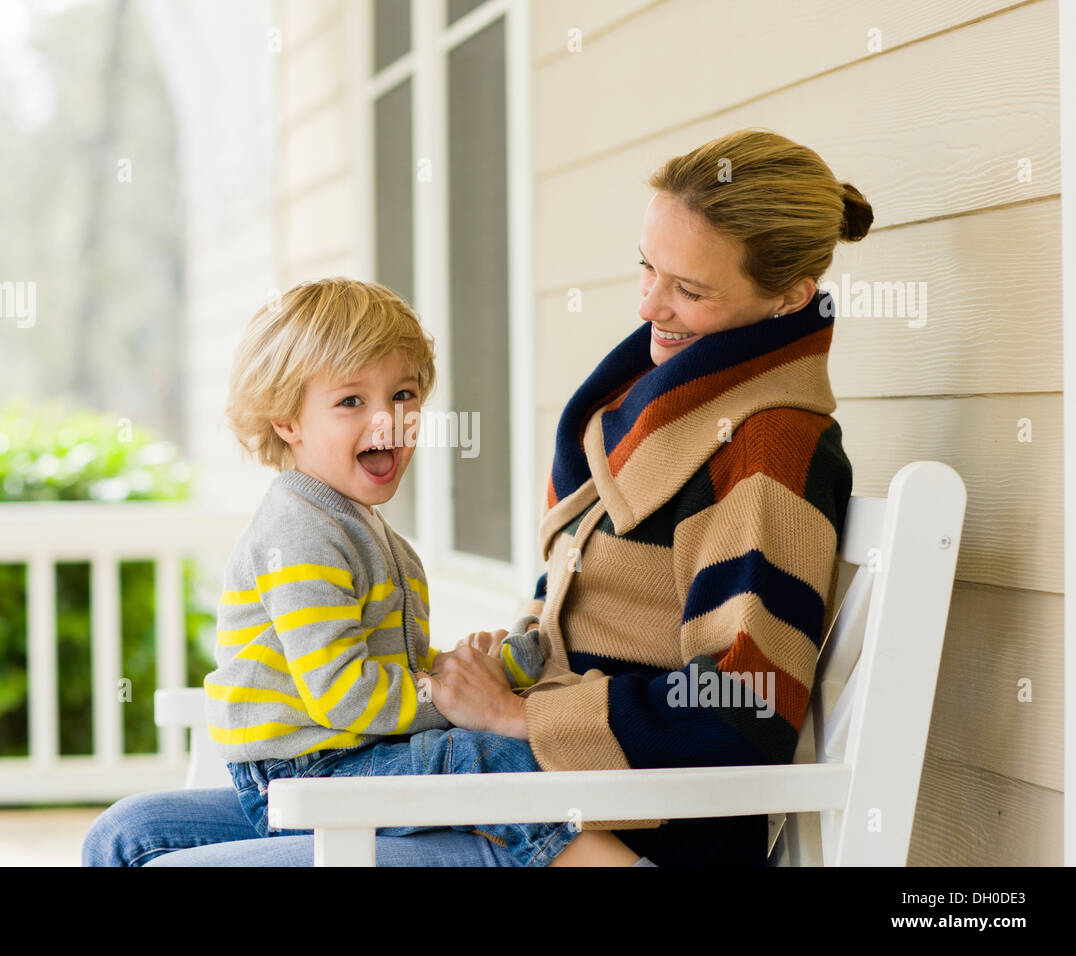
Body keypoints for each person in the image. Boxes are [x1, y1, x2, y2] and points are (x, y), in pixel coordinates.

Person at [82, 126, 867, 867]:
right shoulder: (660, 413)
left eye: (688, 289)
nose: (647, 306)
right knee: (128, 838)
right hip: (530, 778)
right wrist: (503, 673)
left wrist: (511, 715)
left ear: (790, 300)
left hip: (617, 818)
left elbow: (745, 703)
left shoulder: (766, 447)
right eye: (646, 268)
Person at [198, 276, 641, 866]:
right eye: (351, 401)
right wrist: (452, 698)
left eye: (404, 395)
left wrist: (488, 669)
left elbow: (395, 671)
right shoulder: (302, 534)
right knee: (484, 757)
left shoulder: (376, 537)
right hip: (307, 772)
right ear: (287, 421)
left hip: (345, 753)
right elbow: (345, 694)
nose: (388, 420)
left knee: (474, 750)